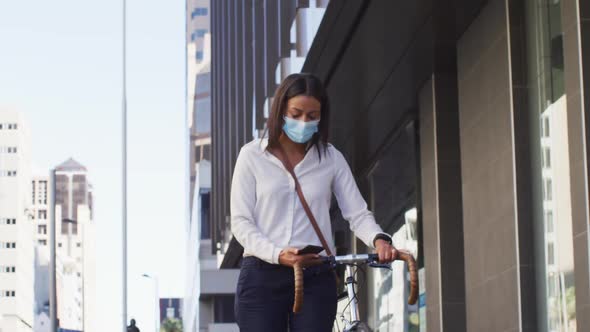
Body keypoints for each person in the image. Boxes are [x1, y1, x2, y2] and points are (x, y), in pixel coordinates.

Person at [231, 73, 400, 332]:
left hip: (315, 275)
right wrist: (277, 254)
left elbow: (357, 213)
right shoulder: (252, 155)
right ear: (280, 111)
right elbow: (241, 222)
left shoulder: (331, 158)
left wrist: (379, 239)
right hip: (262, 274)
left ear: (322, 117)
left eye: (312, 116)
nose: (303, 122)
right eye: (296, 113)